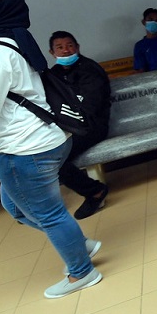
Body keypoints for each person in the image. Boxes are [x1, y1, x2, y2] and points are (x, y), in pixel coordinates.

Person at [0, 0, 103, 298]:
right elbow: (11, 93)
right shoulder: (7, 39)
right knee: (15, 206)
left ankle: (82, 272)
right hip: (45, 138)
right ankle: (77, 242)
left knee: (48, 214)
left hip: (24, 148)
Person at [48, 31, 111, 219]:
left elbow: (90, 107)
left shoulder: (90, 69)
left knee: (53, 160)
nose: (66, 51)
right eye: (60, 47)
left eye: (69, 45)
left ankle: (95, 192)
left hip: (92, 127)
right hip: (67, 129)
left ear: (77, 47)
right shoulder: (53, 75)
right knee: (40, 153)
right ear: (52, 52)